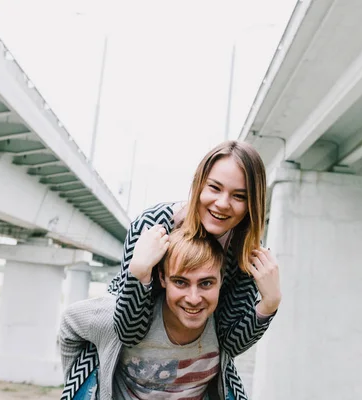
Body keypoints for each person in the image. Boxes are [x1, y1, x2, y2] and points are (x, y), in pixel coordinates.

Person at [61, 140, 281, 400]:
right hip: (128, 353)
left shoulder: (245, 249)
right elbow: (127, 330)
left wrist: (268, 305)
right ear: (199, 184)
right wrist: (139, 274)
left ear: (252, 203)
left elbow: (229, 343)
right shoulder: (152, 225)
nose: (223, 203)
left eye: (239, 196)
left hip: (195, 360)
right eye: (214, 188)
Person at [59, 227, 278, 399]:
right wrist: (79, 386)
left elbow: (243, 338)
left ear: (221, 282)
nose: (193, 298)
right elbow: (70, 324)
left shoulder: (222, 326)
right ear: (163, 278)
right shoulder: (121, 317)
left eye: (206, 283)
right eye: (180, 282)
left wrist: (269, 303)